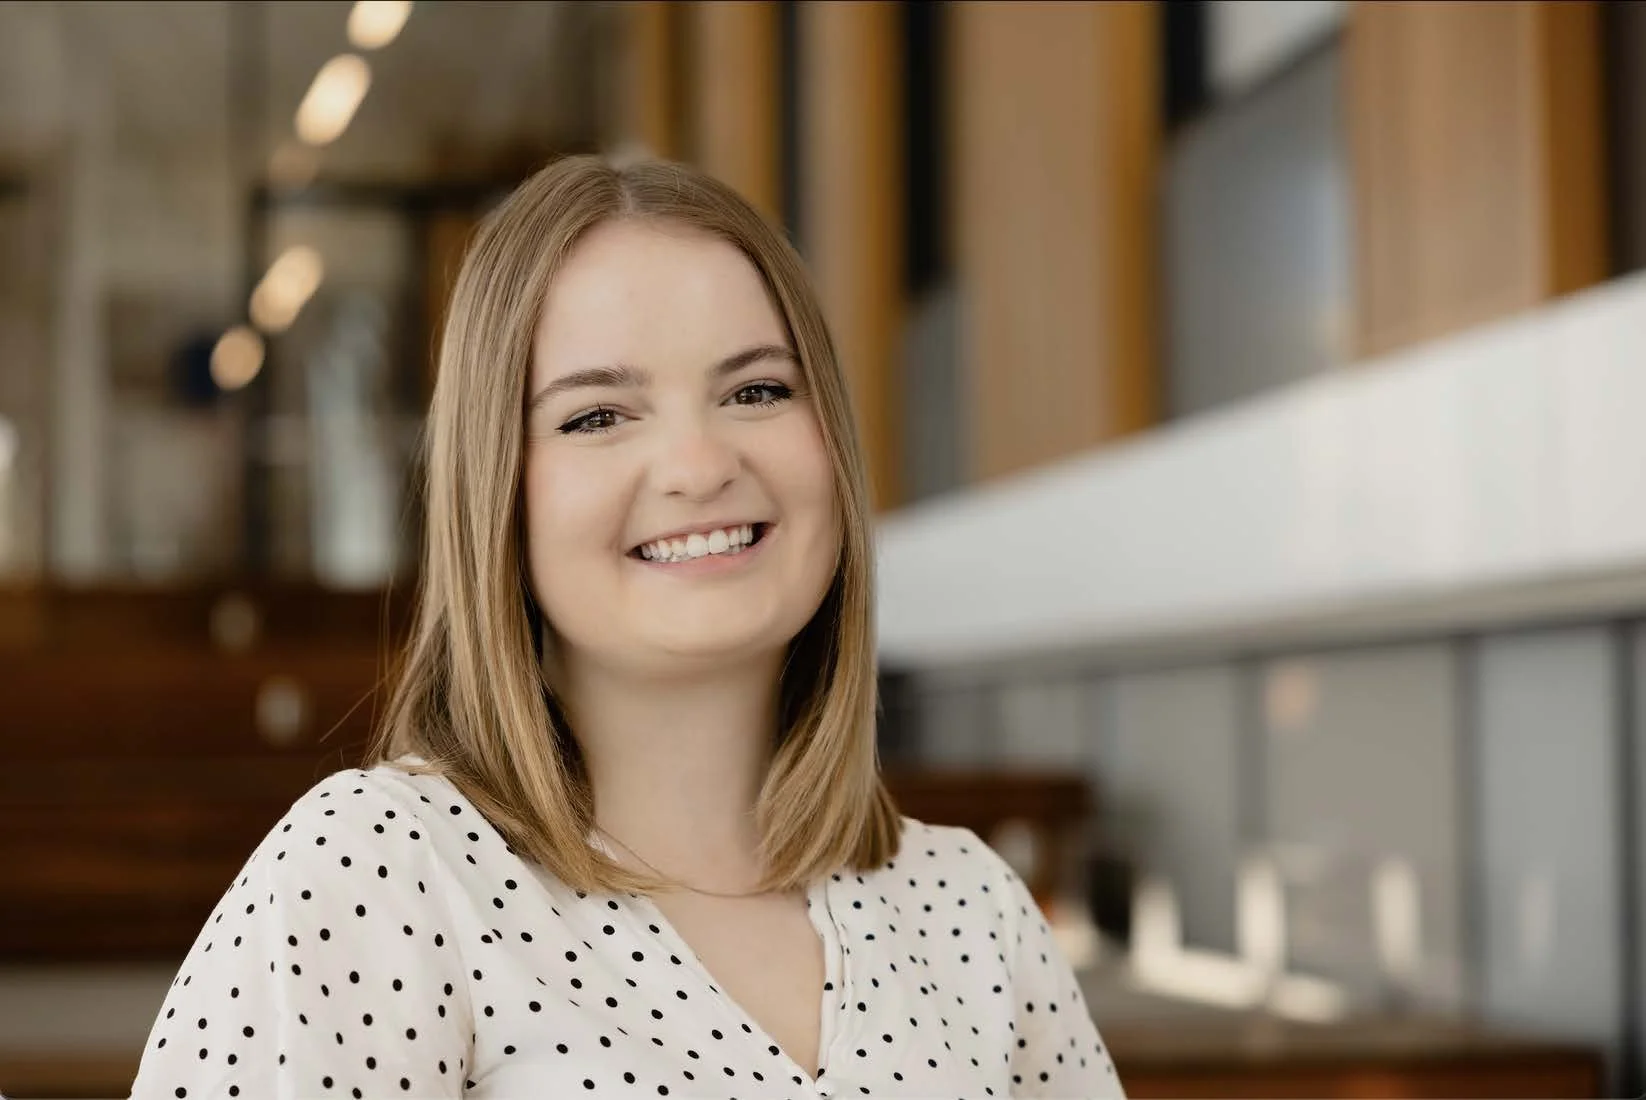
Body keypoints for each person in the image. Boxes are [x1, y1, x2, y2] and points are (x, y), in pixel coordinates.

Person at [129, 155, 1124, 1099]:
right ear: (496, 494)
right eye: (597, 415)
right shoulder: (377, 870)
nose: (696, 464)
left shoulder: (967, 906)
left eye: (757, 390)